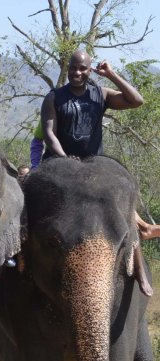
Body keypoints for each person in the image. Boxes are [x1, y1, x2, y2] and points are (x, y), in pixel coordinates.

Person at [40, 49, 158, 296]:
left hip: (94, 166)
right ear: (68, 67)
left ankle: (138, 262)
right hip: (59, 165)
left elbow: (137, 100)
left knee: (120, 196)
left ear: (90, 69)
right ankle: (16, 260)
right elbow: (49, 134)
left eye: (83, 68)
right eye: (73, 68)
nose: (77, 73)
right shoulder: (54, 97)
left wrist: (112, 74)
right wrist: (66, 161)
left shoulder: (100, 95)